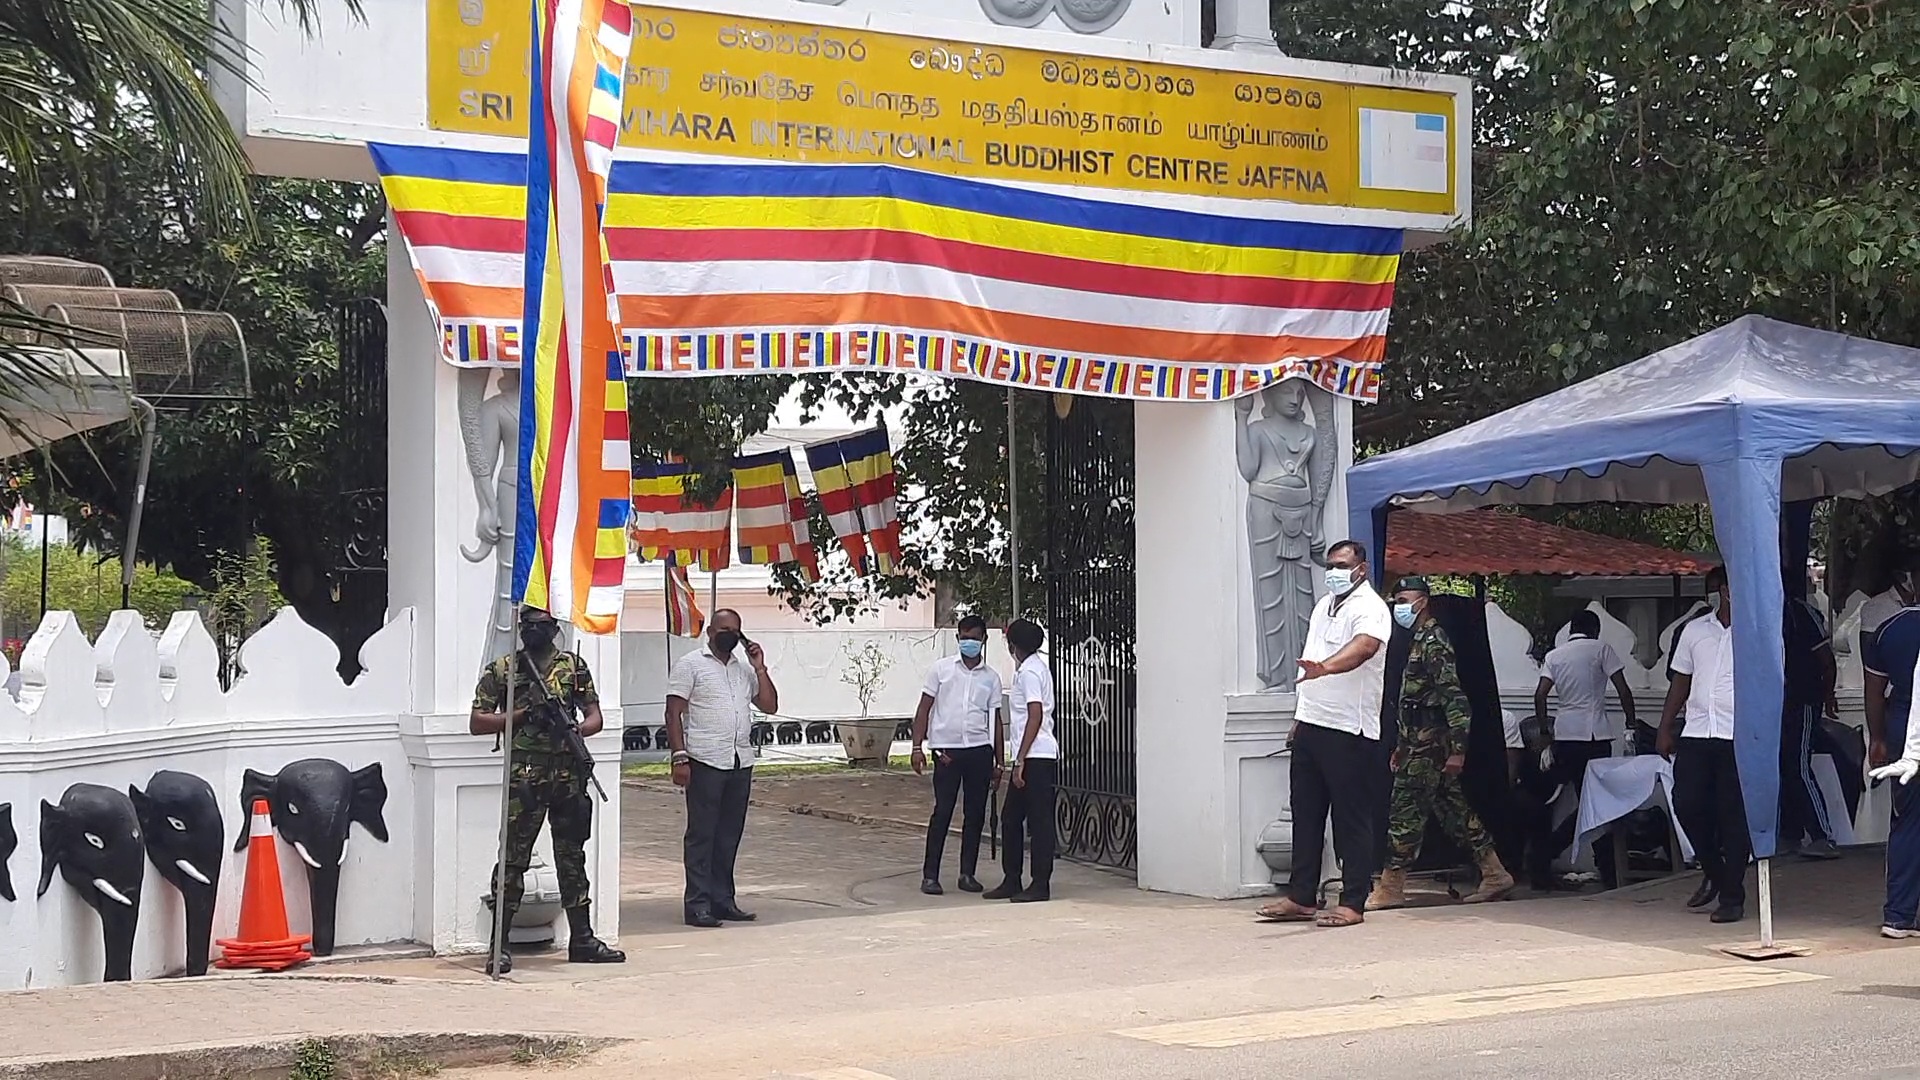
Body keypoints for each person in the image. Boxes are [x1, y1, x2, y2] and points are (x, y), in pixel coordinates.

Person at [470, 605, 626, 974]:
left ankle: (583, 938)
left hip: (567, 776)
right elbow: (477, 721)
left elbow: (595, 716)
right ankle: (499, 945)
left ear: (554, 628)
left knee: (572, 857)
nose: (531, 631)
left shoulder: (574, 667)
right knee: (512, 859)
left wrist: (573, 730)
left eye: (538, 625)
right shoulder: (505, 669)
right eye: (526, 625)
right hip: (526, 776)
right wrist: (523, 716)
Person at [1254, 539, 1391, 928]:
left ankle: (1352, 903)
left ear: (1361, 569)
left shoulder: (1371, 608)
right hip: (1313, 723)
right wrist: (1300, 718)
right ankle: (1302, 896)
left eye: (1342, 564)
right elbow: (1309, 663)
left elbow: (1365, 648)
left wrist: (1326, 669)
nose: (1334, 571)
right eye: (1330, 564)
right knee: (1307, 814)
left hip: (1350, 728)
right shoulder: (1322, 606)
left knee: (1351, 819)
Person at [1369, 578, 1515, 908]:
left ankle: (1391, 885)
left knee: (1403, 813)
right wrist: (1403, 745)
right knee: (1455, 812)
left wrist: (1458, 750)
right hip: (1417, 744)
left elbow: (1455, 700)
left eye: (1404, 600)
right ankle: (1494, 872)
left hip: (1430, 747)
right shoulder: (1418, 640)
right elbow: (1413, 703)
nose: (1399, 607)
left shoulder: (1434, 642)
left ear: (1422, 602)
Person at [666, 609, 778, 928]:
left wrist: (760, 667)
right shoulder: (691, 665)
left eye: (736, 631)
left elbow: (770, 705)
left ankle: (723, 900)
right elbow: (673, 713)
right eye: (724, 629)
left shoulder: (744, 671)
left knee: (729, 835)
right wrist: (679, 756)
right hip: (704, 760)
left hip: (739, 761)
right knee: (702, 835)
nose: (730, 634)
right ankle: (698, 904)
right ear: (710, 632)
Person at [1656, 566, 1748, 924]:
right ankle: (1716, 871)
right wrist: (1665, 726)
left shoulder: (1755, 632)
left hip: (1735, 734)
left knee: (1732, 817)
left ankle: (1732, 897)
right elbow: (1681, 682)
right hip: (1696, 732)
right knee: (1687, 804)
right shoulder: (1694, 631)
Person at [1530, 610, 1636, 889]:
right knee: (1596, 804)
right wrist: (1631, 724)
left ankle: (1543, 860)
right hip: (1593, 735)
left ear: (1570, 630)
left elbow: (1540, 695)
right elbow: (1623, 690)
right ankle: (1604, 868)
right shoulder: (1601, 649)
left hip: (1564, 735)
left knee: (1582, 803)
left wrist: (1544, 731)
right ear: (1595, 629)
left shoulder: (1555, 655)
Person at [912, 615, 1005, 895]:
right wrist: (917, 747)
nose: (969, 643)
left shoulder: (991, 678)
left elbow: (996, 720)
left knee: (975, 814)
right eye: (964, 638)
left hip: (978, 750)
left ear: (984, 640)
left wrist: (999, 762)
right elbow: (924, 708)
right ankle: (930, 875)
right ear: (958, 639)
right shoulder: (941, 670)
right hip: (947, 752)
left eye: (975, 638)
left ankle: (967, 873)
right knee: (942, 812)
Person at [1864, 558, 1920, 937]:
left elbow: (1873, 693)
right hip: (1907, 720)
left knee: (1906, 821)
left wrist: (1878, 738)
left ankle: (1898, 915)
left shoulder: (1889, 629)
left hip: (1903, 723)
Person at [985, 618, 1057, 903]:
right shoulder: (1035, 668)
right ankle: (1012, 878)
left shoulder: (1029, 674)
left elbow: (1035, 715)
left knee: (1035, 821)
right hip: (1034, 754)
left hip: (1035, 755)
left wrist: (1020, 759)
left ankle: (1039, 882)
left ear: (1013, 645)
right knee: (1012, 818)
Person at [1779, 592, 1840, 859]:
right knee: (1781, 768)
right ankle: (1790, 833)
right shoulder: (1755, 612)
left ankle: (1822, 835)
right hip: (1772, 706)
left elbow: (1827, 660)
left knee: (1798, 765)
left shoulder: (1799, 614)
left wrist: (1827, 695)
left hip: (1802, 701)